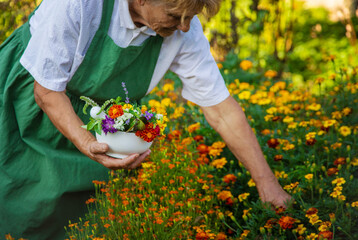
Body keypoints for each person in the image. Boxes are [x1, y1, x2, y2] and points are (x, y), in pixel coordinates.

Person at [0, 0, 292, 239]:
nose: (185, 25)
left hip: (96, 123)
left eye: (190, 16)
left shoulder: (182, 30)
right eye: (177, 15)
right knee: (14, 199)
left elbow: (221, 109)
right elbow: (47, 92)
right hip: (25, 105)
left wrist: (268, 184)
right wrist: (88, 143)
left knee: (80, 219)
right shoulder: (79, 4)